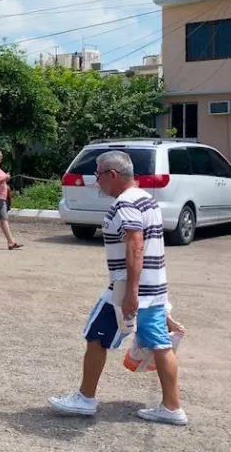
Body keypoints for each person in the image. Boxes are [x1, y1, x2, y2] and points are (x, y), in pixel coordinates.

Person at [48, 150, 187, 426]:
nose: (96, 181)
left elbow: (135, 245)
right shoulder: (147, 199)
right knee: (161, 345)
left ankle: (85, 398)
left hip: (127, 290)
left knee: (95, 337)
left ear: (112, 175)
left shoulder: (125, 204)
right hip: (155, 288)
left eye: (98, 175)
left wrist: (131, 294)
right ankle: (172, 407)